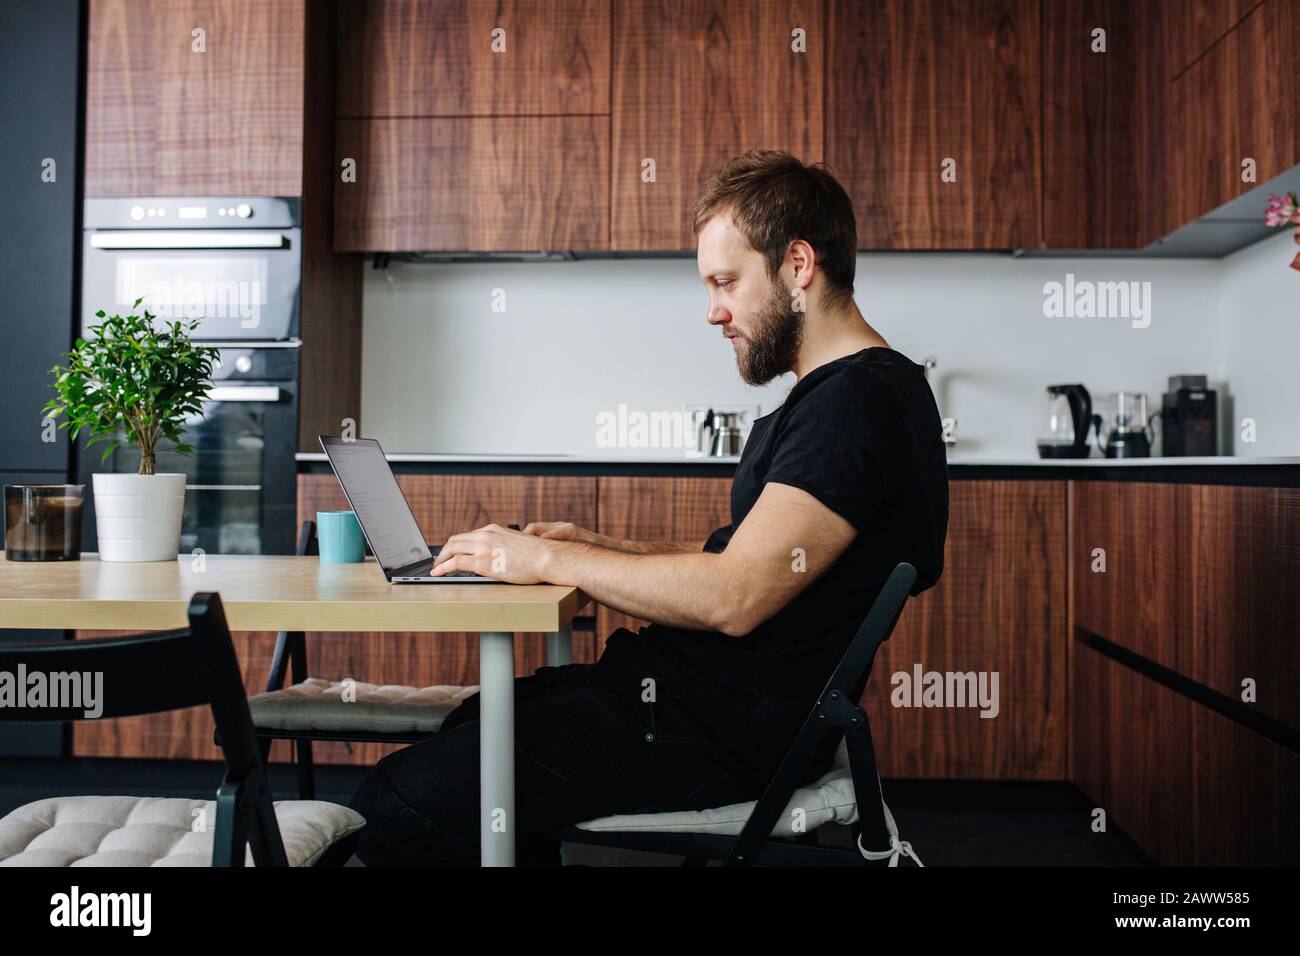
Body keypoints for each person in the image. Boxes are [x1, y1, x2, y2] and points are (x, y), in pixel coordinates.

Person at [350, 149, 949, 866]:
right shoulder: (848, 396)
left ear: (797, 266)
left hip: (709, 729)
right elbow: (740, 563)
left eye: (726, 282)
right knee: (473, 724)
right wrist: (598, 545)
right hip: (693, 705)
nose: (713, 311)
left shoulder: (857, 403)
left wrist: (543, 556)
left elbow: (736, 597)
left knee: (397, 801)